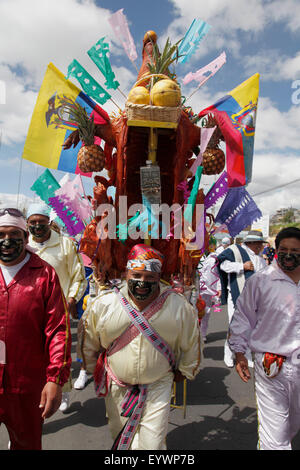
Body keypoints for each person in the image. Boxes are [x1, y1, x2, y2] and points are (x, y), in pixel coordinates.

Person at [80, 243, 201, 450]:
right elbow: (90, 339)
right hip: (117, 384)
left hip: (158, 384)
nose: (142, 282)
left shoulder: (179, 306)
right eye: (136, 275)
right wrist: (91, 367)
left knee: (152, 445)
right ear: (127, 273)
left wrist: (186, 370)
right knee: (121, 439)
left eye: (150, 277)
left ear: (158, 277)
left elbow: (191, 342)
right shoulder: (105, 304)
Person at [0, 208, 71, 450]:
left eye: (13, 234)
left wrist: (55, 379)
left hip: (26, 384)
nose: (6, 241)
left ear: (25, 237)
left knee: (26, 444)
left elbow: (58, 331)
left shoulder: (45, 275)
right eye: (0, 234)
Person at [228, 227, 300, 450]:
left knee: (292, 425)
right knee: (275, 434)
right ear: (276, 251)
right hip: (271, 364)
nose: (289, 255)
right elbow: (243, 318)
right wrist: (239, 352)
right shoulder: (261, 281)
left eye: (295, 251)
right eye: (284, 250)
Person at [27, 203, 87, 411]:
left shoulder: (65, 244)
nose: (37, 226)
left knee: (59, 356)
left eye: (41, 222)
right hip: (29, 313)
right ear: (27, 224)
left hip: (58, 311)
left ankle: (64, 390)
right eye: (32, 222)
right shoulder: (22, 246)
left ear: (49, 223)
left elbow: (78, 276)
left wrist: (71, 299)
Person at [217, 230, 266, 368]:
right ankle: (228, 354)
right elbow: (222, 265)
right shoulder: (235, 251)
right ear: (251, 243)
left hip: (254, 299)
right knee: (234, 326)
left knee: (250, 327)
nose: (260, 246)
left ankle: (246, 355)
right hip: (237, 296)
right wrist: (241, 266)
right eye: (258, 244)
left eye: (261, 244)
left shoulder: (261, 259)